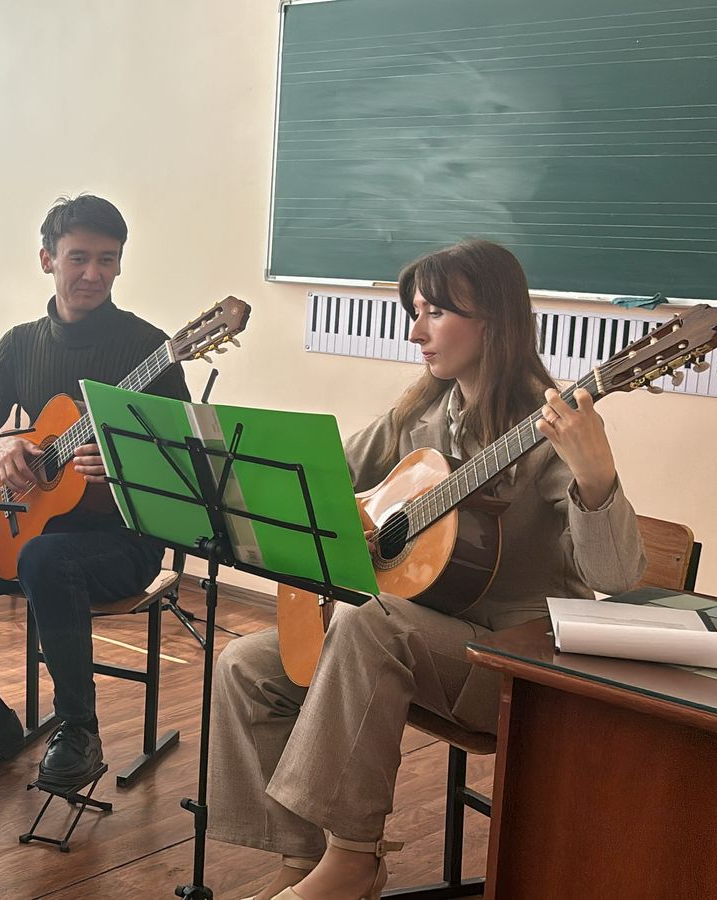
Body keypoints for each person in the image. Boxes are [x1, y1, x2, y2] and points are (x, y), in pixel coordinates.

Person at [210, 239, 646, 900]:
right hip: (414, 637)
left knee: (369, 624)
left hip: (513, 663)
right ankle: (300, 862)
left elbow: (617, 576)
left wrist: (597, 475)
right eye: (415, 312)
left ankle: (354, 861)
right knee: (245, 666)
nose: (415, 332)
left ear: (494, 321)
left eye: (435, 313)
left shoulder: (550, 428)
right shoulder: (420, 413)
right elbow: (320, 478)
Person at [0, 194, 188, 794]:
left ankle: (79, 729)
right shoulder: (20, 344)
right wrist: (0, 447)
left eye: (107, 259)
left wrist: (122, 466)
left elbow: (180, 461)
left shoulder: (149, 351)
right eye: (78, 258)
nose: (93, 273)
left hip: (121, 542)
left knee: (46, 558)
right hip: (29, 531)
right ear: (47, 259)